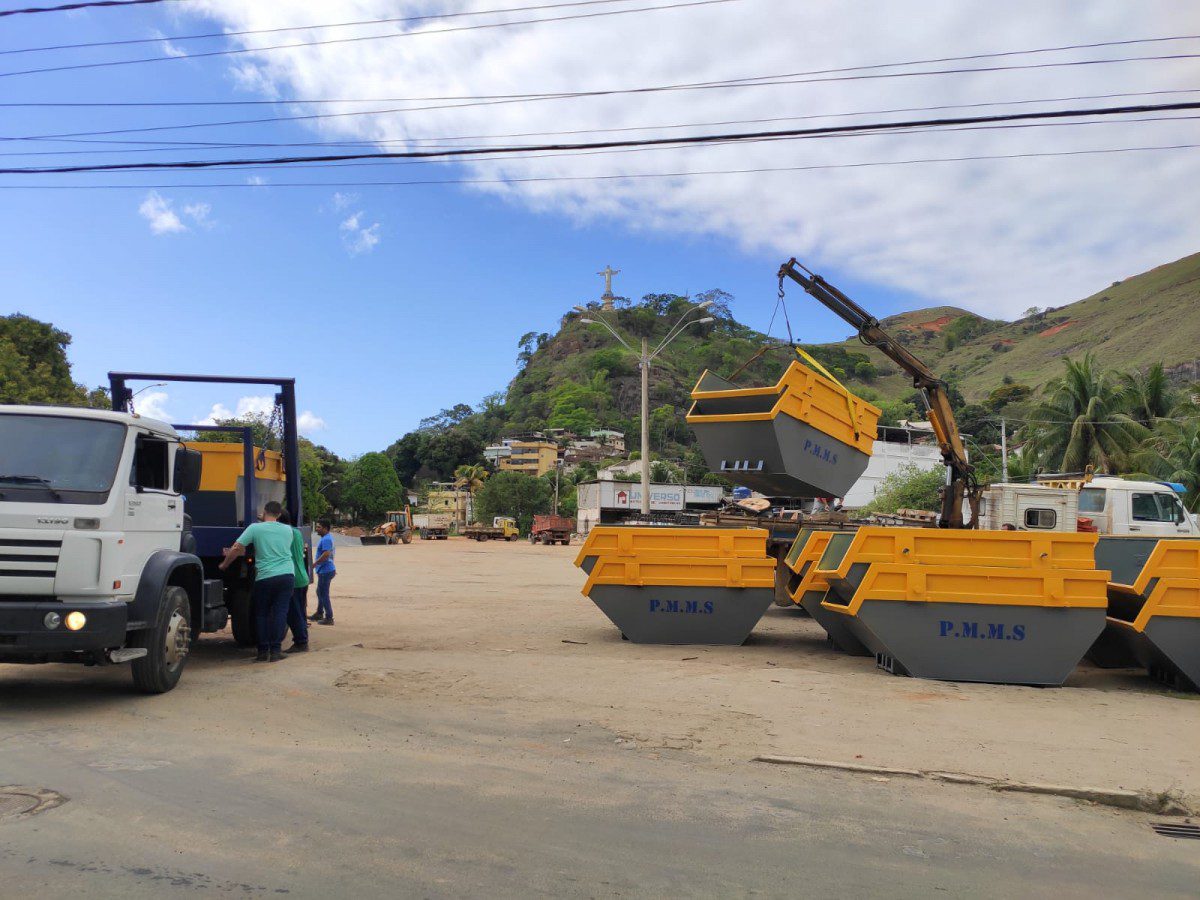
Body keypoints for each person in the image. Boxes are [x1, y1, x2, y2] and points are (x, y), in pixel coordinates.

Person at [219, 500, 294, 663]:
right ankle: (275, 651)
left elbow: (237, 547)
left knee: (262, 614)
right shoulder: (288, 530)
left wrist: (225, 565)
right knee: (280, 612)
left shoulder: (255, 528)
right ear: (280, 514)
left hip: (265, 577)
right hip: (287, 575)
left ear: (264, 511)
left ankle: (262, 652)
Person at [277, 510, 311, 654]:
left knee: (293, 613)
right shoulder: (296, 532)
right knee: (301, 611)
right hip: (302, 577)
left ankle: (301, 642)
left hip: (294, 578)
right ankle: (302, 640)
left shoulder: (284, 533)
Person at [310, 519, 336, 625]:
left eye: (319, 527)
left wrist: (315, 564)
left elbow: (326, 554)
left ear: (325, 528)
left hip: (326, 571)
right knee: (319, 592)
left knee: (323, 594)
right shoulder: (327, 538)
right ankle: (319, 613)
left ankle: (329, 617)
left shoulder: (326, 539)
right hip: (326, 570)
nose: (317, 529)